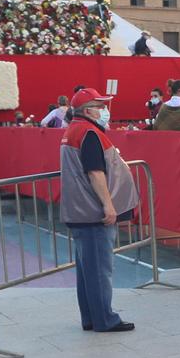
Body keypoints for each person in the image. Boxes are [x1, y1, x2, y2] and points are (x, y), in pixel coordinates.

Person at [57, 87, 138, 334]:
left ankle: (91, 318)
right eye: (100, 106)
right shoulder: (89, 133)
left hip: (79, 211)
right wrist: (108, 204)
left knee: (87, 270)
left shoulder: (73, 130)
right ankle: (105, 319)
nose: (105, 111)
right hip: (91, 211)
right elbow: (95, 172)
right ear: (88, 110)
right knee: (100, 270)